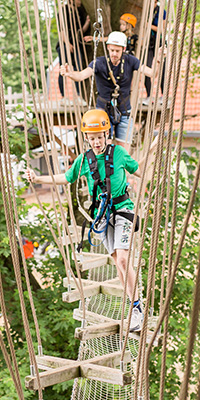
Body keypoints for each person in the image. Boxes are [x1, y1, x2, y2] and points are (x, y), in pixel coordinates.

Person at [25, 109, 158, 332]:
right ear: (87, 138)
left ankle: (137, 308)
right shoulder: (84, 160)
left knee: (124, 260)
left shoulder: (119, 153)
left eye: (99, 137)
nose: (96, 142)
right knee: (117, 262)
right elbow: (65, 178)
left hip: (123, 210)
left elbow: (139, 170)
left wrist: (153, 151)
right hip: (103, 216)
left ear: (107, 134)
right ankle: (133, 304)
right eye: (92, 138)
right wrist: (38, 178)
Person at [60, 31, 163, 145]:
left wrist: (158, 60)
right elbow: (81, 76)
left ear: (123, 49)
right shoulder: (99, 63)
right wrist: (70, 74)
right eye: (112, 50)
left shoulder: (131, 61)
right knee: (105, 146)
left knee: (122, 150)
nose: (114, 53)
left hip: (124, 110)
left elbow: (152, 73)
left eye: (117, 51)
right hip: (103, 110)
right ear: (108, 48)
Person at [56, 0, 91, 97]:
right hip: (64, 44)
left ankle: (79, 95)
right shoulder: (63, 11)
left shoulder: (79, 12)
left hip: (76, 45)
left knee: (78, 68)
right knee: (63, 69)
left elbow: (80, 31)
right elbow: (61, 30)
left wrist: (87, 22)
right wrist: (67, 44)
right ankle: (63, 96)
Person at [143, 0, 166, 106]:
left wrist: (149, 25)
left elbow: (162, 29)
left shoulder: (161, 11)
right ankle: (149, 95)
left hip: (158, 42)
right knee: (146, 66)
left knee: (161, 68)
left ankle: (163, 95)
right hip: (148, 42)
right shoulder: (145, 12)